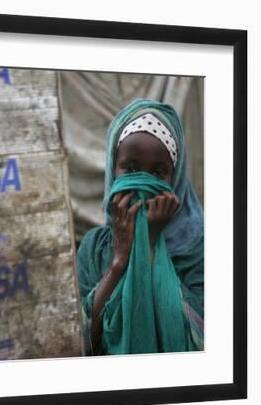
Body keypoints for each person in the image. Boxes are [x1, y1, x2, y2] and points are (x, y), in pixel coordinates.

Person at [76, 99, 204, 356]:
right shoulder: (94, 247)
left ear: (175, 179)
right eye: (131, 169)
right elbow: (80, 339)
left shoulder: (198, 251)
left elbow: (201, 340)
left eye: (158, 172)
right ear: (114, 171)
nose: (143, 182)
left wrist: (149, 245)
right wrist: (119, 262)